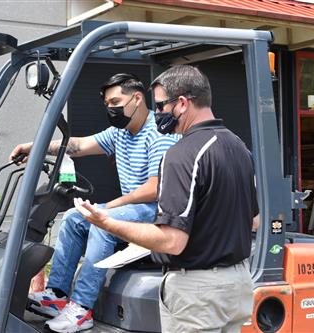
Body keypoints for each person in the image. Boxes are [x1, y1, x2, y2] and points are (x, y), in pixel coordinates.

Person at [74, 65, 258, 332]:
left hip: (197, 293)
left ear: (182, 103)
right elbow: (254, 221)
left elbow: (172, 241)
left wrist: (107, 223)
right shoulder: (238, 147)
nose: (157, 113)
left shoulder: (181, 154)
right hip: (237, 285)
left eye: (160, 106)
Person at [9, 73, 180, 333]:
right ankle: (56, 295)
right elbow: (77, 145)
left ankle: (81, 309)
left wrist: (110, 207)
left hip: (160, 212)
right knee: (74, 218)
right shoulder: (119, 133)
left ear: (137, 98)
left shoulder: (158, 132)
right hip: (134, 208)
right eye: (107, 105)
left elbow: (157, 187)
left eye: (115, 101)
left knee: (101, 221)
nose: (111, 109)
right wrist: (35, 147)